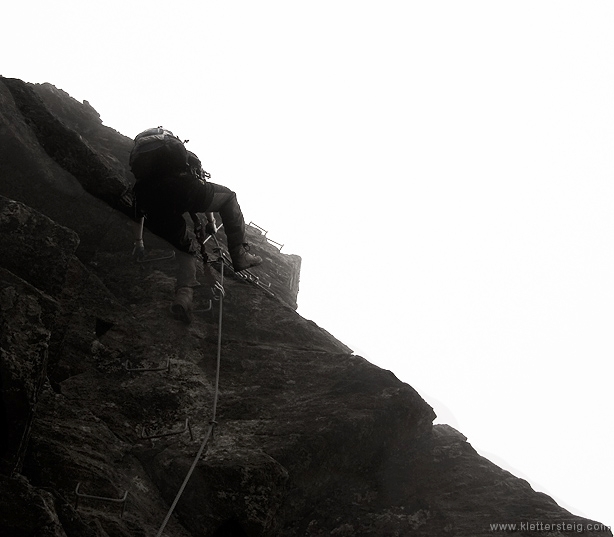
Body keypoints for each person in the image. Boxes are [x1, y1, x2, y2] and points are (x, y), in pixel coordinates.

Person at [130, 132, 262, 323]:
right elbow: (202, 191)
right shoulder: (184, 158)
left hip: (155, 204)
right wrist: (211, 222)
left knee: (185, 250)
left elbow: (137, 214)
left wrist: (138, 242)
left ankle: (184, 296)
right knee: (229, 197)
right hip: (185, 190)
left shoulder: (143, 179)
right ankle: (239, 254)